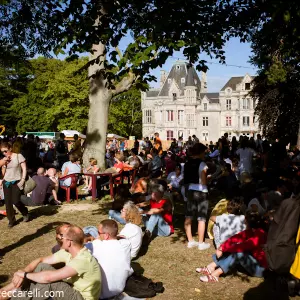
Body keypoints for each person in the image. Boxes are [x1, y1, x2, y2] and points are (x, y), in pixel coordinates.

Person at [0, 225, 101, 300]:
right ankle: (6, 291)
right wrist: (22, 272)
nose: (61, 240)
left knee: (49, 284)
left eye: (63, 238)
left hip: (81, 297)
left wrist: (24, 274)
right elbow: (41, 260)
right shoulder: (69, 252)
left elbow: (48, 278)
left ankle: (13, 294)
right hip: (73, 288)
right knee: (42, 266)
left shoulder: (83, 260)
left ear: (69, 242)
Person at [197, 212, 267, 282]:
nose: (244, 224)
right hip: (253, 261)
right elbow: (235, 238)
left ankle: (215, 274)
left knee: (238, 252)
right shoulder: (251, 231)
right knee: (233, 248)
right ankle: (211, 267)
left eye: (245, 223)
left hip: (261, 269)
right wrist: (222, 247)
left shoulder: (260, 233)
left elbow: (245, 245)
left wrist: (225, 249)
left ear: (250, 223)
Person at [85, 220, 132, 299]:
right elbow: (123, 239)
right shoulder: (126, 244)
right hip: (119, 288)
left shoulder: (96, 245)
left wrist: (89, 239)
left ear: (106, 235)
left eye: (99, 233)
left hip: (101, 293)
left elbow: (77, 247)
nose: (98, 235)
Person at [184, 143, 210, 250]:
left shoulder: (187, 163)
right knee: (201, 217)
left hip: (190, 190)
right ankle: (200, 243)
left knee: (189, 216)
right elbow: (203, 181)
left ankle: (190, 241)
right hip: (201, 191)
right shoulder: (202, 164)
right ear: (200, 153)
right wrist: (210, 177)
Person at [0, 142, 29, 227]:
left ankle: (24, 212)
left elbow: (24, 168)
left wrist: (23, 180)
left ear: (10, 149)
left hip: (17, 181)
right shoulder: (4, 159)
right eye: (2, 152)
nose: (4, 153)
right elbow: (3, 173)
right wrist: (4, 164)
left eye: (5, 151)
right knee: (8, 202)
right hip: (7, 181)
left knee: (16, 200)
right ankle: (11, 220)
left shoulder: (18, 156)